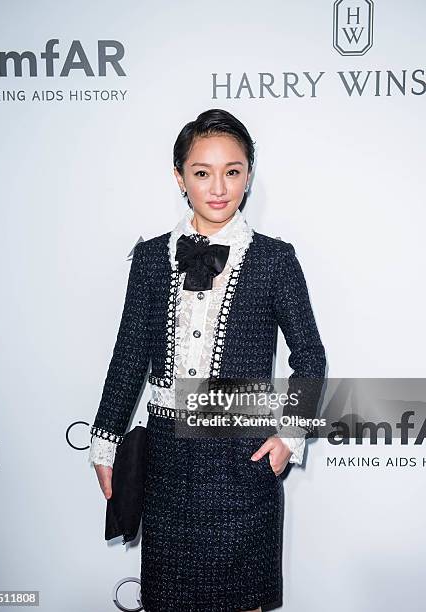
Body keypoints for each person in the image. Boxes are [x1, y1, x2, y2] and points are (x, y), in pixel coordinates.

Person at [88, 108, 326, 611]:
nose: (219, 187)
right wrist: (104, 444)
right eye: (202, 173)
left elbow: (310, 354)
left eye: (233, 171)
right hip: (168, 466)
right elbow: (129, 356)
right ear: (180, 178)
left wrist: (289, 436)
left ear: (248, 175)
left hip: (243, 464)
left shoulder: (274, 259)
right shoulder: (152, 258)